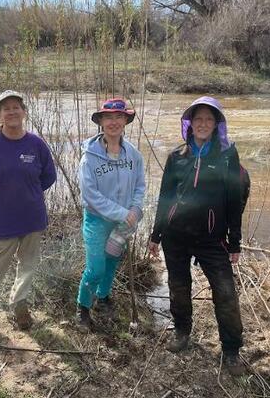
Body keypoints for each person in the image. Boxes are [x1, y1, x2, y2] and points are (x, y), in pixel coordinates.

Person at [148, 96, 246, 376]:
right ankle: (181, 331)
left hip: (212, 238)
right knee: (179, 287)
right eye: (198, 119)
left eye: (209, 120)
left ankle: (231, 350)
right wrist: (155, 235)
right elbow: (165, 198)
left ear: (216, 125)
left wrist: (234, 241)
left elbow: (234, 200)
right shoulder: (177, 156)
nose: (203, 124)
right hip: (176, 237)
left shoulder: (227, 156)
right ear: (190, 124)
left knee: (225, 293)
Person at [0, 90, 57, 338]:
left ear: (24, 112)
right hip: (4, 221)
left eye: (17, 107)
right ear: (0, 115)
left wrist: (32, 192)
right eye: (6, 108)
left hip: (33, 219)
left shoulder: (36, 144)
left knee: (28, 266)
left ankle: (20, 305)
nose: (12, 112)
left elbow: (49, 175)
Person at [75, 98, 146, 332]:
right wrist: (122, 212)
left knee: (112, 261)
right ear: (101, 122)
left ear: (125, 120)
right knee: (95, 267)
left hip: (123, 223)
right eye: (108, 117)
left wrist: (135, 209)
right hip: (97, 221)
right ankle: (83, 307)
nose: (113, 122)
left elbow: (139, 186)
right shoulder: (89, 157)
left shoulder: (134, 155)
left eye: (118, 117)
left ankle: (103, 298)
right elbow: (90, 194)